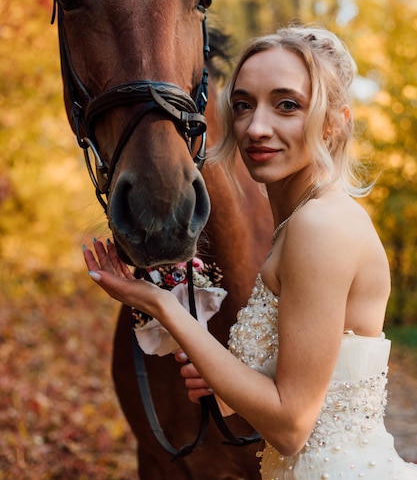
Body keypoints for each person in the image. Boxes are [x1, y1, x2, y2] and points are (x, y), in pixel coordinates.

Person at [84, 25, 417, 479]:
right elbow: (305, 382)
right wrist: (221, 376)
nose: (256, 128)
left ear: (336, 120)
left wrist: (163, 306)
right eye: (243, 105)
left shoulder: (320, 227)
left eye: (287, 105)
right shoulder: (301, 223)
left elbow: (290, 427)